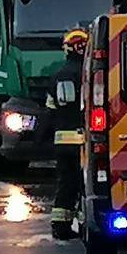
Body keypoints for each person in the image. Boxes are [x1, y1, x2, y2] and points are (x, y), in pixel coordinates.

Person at [46, 28, 91, 239]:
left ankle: (60, 226)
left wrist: (41, 140)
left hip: (63, 142)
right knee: (84, 185)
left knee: (66, 183)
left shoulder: (58, 75)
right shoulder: (92, 73)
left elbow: (50, 111)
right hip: (86, 141)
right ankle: (84, 225)